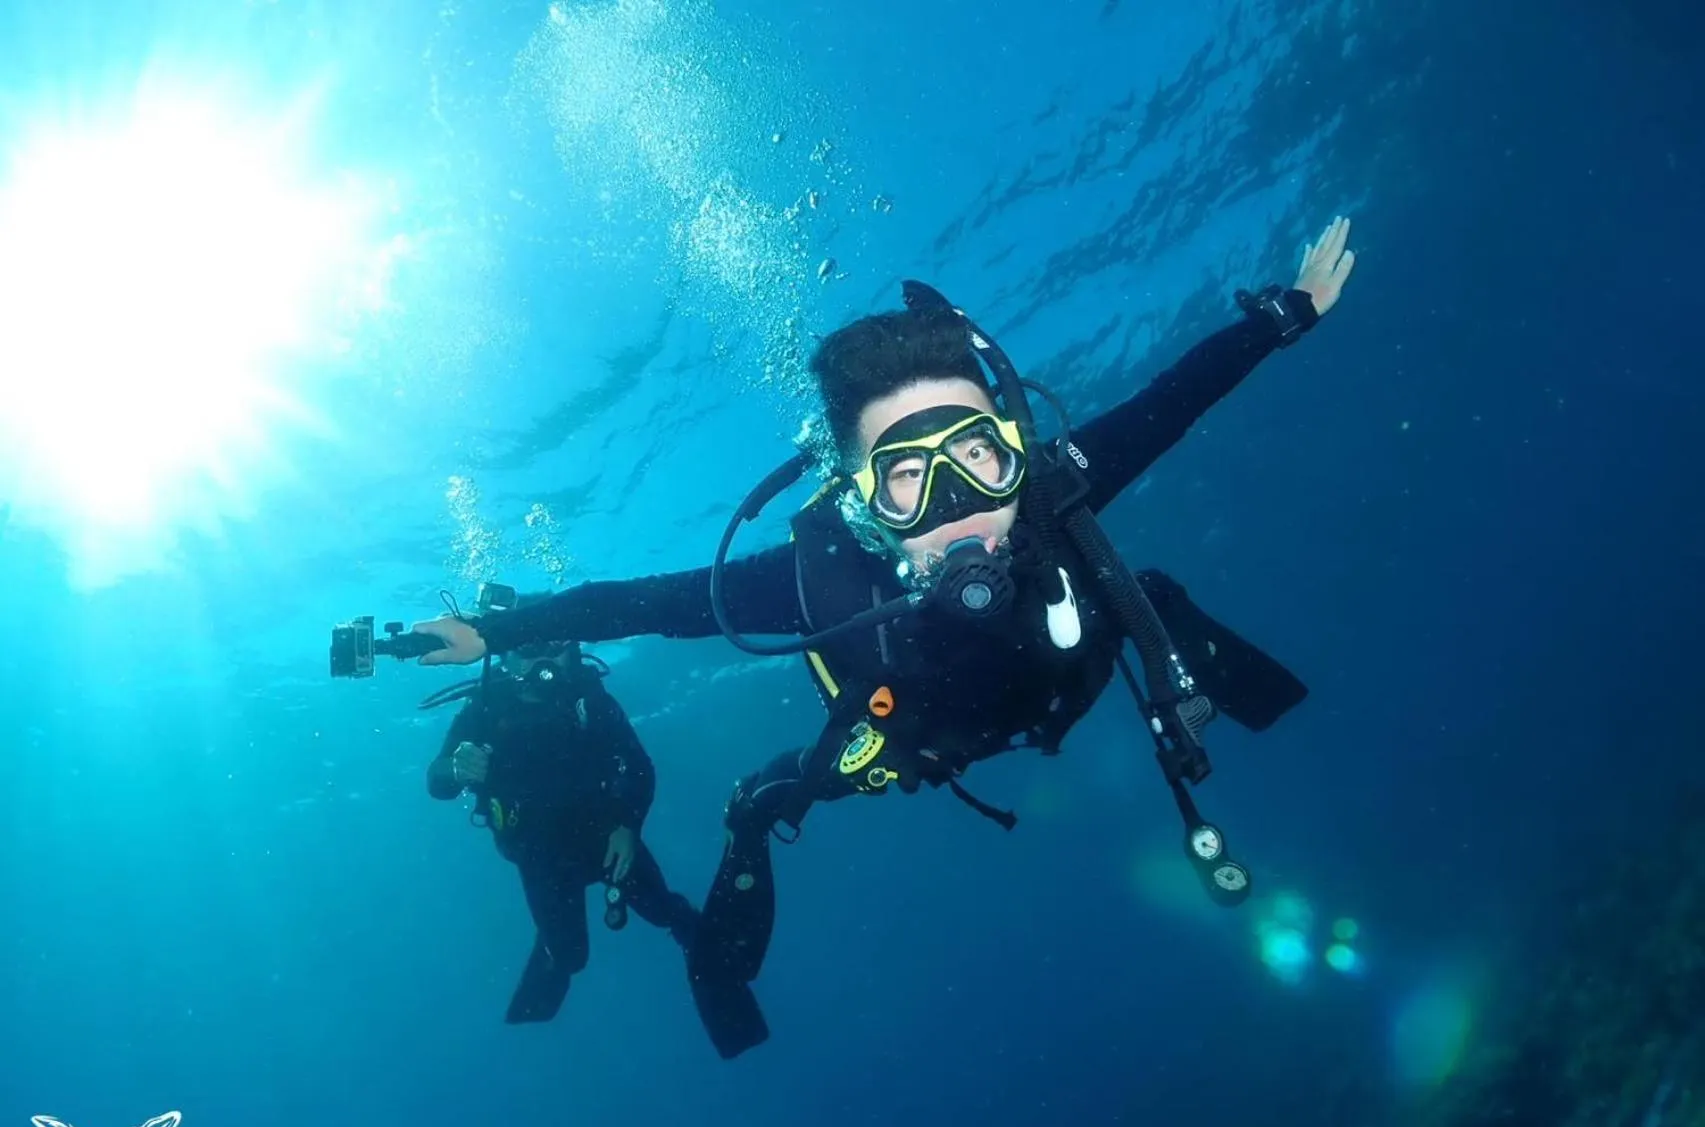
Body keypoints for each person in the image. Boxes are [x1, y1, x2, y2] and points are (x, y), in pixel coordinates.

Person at [411, 217, 1359, 1050]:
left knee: (1143, 592)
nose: (956, 507)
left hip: (1069, 671)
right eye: (908, 476)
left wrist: (1285, 315)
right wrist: (497, 634)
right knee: (763, 797)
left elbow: (1171, 399)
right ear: (863, 499)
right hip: (904, 739)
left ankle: (1269, 707)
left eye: (976, 456)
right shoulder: (812, 580)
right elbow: (642, 602)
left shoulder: (1053, 491)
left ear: (1013, 449)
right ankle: (724, 938)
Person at [424, 636, 767, 1058]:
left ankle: (702, 951)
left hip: (606, 838)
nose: (544, 660)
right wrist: (456, 767)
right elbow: (437, 782)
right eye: (529, 647)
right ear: (508, 654)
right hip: (540, 854)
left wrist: (627, 825)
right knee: (571, 957)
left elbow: (639, 766)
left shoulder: (591, 699)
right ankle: (552, 953)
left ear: (572, 650)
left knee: (663, 909)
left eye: (556, 646)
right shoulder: (486, 706)